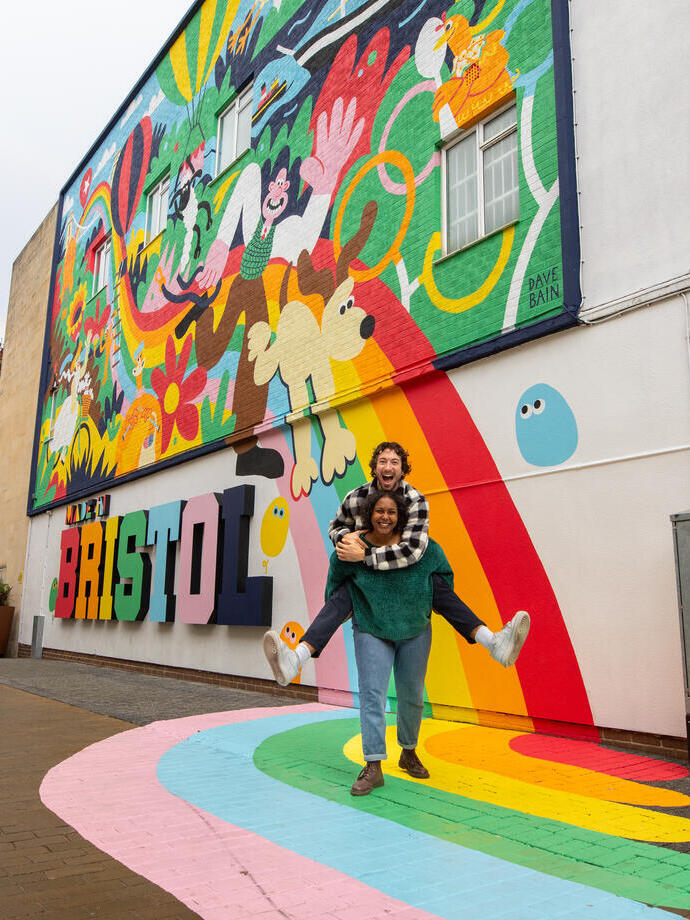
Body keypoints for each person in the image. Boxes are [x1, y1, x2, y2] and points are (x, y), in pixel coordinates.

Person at [263, 441, 530, 686]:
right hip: (367, 583)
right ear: (375, 468)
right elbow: (336, 527)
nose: (388, 466)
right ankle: (294, 660)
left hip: (406, 577)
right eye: (383, 461)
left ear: (402, 470)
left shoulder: (416, 501)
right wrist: (346, 539)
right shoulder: (355, 497)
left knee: (438, 587)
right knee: (341, 599)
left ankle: (494, 643)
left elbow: (413, 550)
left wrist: (364, 556)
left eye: (394, 462)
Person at [326, 489, 448, 794]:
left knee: (412, 695)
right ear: (369, 514)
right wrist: (337, 606)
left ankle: (408, 751)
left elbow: (442, 577)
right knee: (372, 695)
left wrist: (428, 604)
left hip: (414, 625)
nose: (385, 516)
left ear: (402, 517)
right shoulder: (354, 543)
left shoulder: (419, 547)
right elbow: (336, 571)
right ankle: (373, 765)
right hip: (371, 624)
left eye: (391, 512)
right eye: (379, 511)